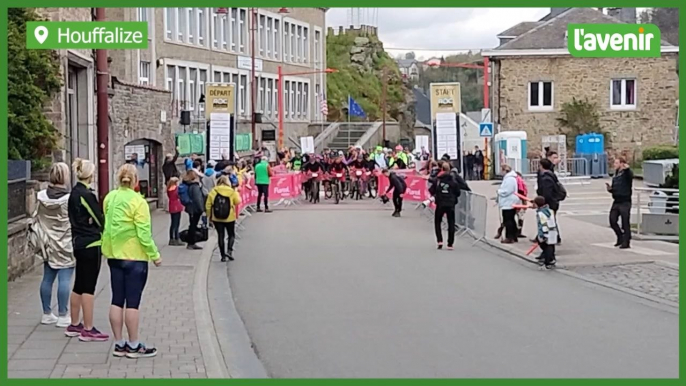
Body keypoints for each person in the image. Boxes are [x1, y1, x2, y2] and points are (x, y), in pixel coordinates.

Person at [102, 164, 161, 358]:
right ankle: (134, 345)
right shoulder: (139, 202)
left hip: (114, 255)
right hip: (134, 257)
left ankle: (119, 343)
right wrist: (155, 255)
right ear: (135, 180)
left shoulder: (110, 198)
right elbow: (144, 234)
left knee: (117, 299)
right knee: (133, 302)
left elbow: (108, 224)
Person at [66, 159, 108, 341]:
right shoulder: (87, 195)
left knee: (79, 284)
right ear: (91, 175)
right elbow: (99, 219)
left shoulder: (73, 192)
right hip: (91, 243)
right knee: (89, 287)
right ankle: (88, 328)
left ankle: (74, 324)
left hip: (77, 242)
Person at [32, 162, 75, 328]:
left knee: (47, 279)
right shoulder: (68, 199)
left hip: (48, 243)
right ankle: (63, 315)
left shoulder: (41, 196)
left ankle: (47, 313)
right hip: (65, 242)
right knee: (64, 280)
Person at [206, 176, 242, 262]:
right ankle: (229, 251)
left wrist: (209, 216)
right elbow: (238, 201)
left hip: (217, 217)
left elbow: (208, 205)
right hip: (229, 217)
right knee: (231, 234)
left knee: (220, 235)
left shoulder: (213, 191)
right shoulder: (231, 191)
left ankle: (222, 256)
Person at [429, 163, 460, 250]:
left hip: (440, 204)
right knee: (451, 223)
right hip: (450, 204)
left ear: (441, 169)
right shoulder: (453, 181)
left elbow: (431, 189)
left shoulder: (438, 180)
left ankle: (440, 240)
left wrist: (437, 196)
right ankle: (450, 244)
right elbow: (458, 192)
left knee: (437, 222)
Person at [607, 157, 633, 249]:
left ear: (622, 164)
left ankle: (626, 241)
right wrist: (611, 189)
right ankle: (620, 237)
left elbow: (629, 176)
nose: (614, 165)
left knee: (625, 222)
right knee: (612, 220)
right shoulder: (616, 175)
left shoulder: (626, 174)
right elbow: (616, 187)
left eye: (616, 163)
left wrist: (627, 169)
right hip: (616, 200)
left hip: (625, 201)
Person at [536, 158, 564, 246]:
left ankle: (551, 241)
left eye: (540, 165)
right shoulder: (551, 175)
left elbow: (547, 193)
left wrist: (542, 202)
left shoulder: (546, 178)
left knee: (548, 223)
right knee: (551, 221)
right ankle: (554, 238)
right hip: (553, 202)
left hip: (549, 204)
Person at [182, 170, 205, 249]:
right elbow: (197, 199)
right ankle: (191, 242)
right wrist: (201, 209)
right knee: (193, 225)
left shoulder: (188, 184)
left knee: (192, 224)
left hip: (190, 208)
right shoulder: (194, 186)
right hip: (195, 208)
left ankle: (191, 242)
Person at [497, 164, 519, 244]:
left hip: (508, 202)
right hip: (509, 201)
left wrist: (499, 191)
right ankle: (514, 235)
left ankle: (509, 236)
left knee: (508, 220)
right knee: (511, 219)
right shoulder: (509, 178)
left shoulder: (509, 179)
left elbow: (507, 190)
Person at [533, 196, 558, 269]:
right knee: (550, 246)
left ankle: (548, 261)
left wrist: (541, 235)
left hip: (546, 232)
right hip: (552, 230)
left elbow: (543, 224)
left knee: (546, 246)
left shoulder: (541, 213)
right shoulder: (550, 210)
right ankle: (550, 258)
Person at [166, 177, 184, 246]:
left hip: (171, 206)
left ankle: (171, 238)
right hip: (177, 206)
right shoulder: (176, 189)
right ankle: (176, 238)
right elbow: (179, 196)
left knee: (173, 223)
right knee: (176, 224)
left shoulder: (169, 189)